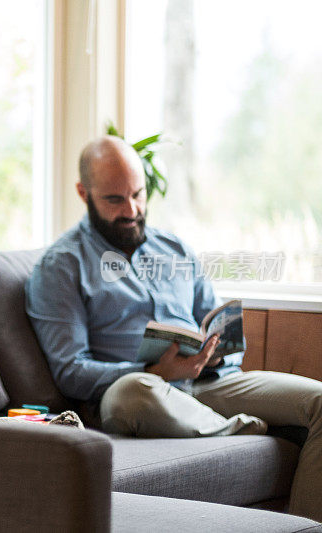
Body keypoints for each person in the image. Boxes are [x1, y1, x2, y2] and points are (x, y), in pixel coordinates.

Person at [25, 135, 322, 521]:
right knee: (136, 391)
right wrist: (153, 371)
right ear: (84, 193)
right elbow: (70, 371)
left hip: (206, 383)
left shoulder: (175, 249)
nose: (131, 209)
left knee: (318, 400)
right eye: (114, 200)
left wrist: (214, 353)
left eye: (137, 194)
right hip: (136, 395)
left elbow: (217, 329)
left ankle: (304, 527)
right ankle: (237, 430)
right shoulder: (62, 265)